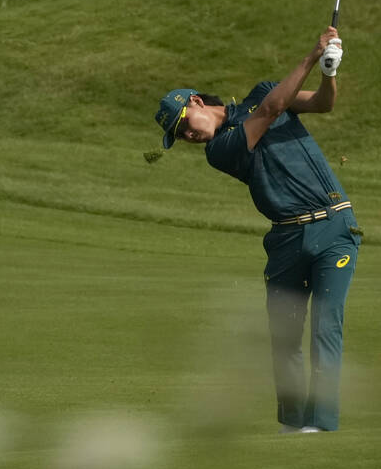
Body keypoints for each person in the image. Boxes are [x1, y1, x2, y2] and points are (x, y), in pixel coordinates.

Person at [153, 26, 359, 434]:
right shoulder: (219, 150)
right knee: (284, 336)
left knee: (325, 324)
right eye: (180, 136)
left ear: (196, 101)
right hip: (284, 239)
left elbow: (321, 103)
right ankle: (293, 423)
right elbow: (269, 111)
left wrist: (328, 70)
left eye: (184, 124)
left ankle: (320, 426)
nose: (188, 135)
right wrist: (309, 56)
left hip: (333, 224)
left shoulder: (263, 91)